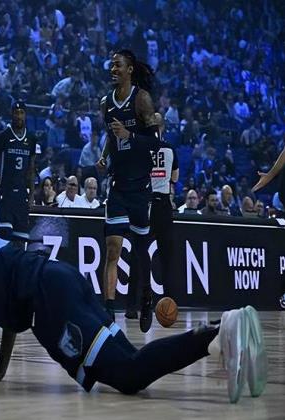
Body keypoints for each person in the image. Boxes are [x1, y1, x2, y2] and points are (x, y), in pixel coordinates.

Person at [0, 212, 267, 405]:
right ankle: (219, 336)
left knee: (127, 375)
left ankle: (220, 332)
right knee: (130, 367)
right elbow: (10, 309)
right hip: (58, 282)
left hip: (49, 298)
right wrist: (0, 369)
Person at [96, 49, 166, 331]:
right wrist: (104, 155)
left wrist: (130, 136)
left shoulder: (141, 99)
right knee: (112, 249)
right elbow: (110, 135)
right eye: (111, 65)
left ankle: (146, 296)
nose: (113, 69)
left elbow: (155, 143)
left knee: (139, 249)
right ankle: (108, 311)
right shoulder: (106, 102)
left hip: (140, 187)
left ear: (130, 69)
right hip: (118, 186)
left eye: (118, 65)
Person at [126, 113, 179, 318]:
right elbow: (175, 178)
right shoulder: (170, 149)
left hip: (144, 203)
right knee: (167, 258)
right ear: (163, 127)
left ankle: (132, 306)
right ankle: (170, 304)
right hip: (162, 205)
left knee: (138, 255)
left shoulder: (140, 147)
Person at [0, 100, 36, 241]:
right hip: (4, 194)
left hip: (21, 196)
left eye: (21, 113)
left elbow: (31, 169)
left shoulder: (31, 139)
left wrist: (31, 196)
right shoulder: (3, 137)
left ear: (25, 115)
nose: (19, 116)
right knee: (4, 238)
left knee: (21, 241)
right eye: (16, 113)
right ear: (12, 114)